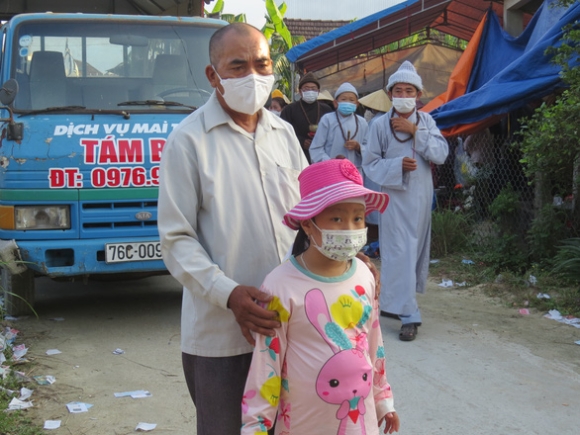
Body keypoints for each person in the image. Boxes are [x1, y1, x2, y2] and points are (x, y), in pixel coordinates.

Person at [157, 22, 309, 435]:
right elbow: (175, 240)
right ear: (213, 75)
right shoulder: (188, 142)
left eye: (261, 64)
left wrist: (349, 259)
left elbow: (309, 217)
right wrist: (230, 294)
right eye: (238, 66)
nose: (253, 76)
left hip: (291, 327)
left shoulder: (285, 135)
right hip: (222, 338)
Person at [241, 159, 400, 435]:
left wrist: (383, 399)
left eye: (357, 218)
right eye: (336, 218)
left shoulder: (365, 275)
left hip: (359, 424)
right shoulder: (280, 286)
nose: (350, 228)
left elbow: (374, 345)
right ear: (308, 223)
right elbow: (266, 365)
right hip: (303, 425)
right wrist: (256, 427)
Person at [362, 61, 449, 342]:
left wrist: (414, 132)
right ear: (390, 94)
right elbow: (370, 163)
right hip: (394, 200)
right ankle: (410, 316)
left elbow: (441, 154)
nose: (403, 94)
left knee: (414, 253)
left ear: (417, 94)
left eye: (408, 90)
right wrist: (398, 165)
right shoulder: (378, 125)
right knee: (399, 252)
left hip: (421, 199)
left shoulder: (427, 122)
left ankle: (394, 304)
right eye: (397, 90)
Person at [309, 82, 368, 176]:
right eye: (343, 99)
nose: (348, 102)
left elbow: (370, 149)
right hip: (329, 171)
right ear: (335, 103)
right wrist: (330, 162)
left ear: (357, 104)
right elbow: (316, 148)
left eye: (351, 100)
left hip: (354, 171)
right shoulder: (327, 119)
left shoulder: (362, 122)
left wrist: (359, 147)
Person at [280, 72, 333, 162]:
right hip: (297, 155)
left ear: (318, 91)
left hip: (322, 155)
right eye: (306, 89)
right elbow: (282, 132)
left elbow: (332, 132)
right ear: (300, 91)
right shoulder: (289, 110)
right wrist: (301, 141)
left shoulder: (327, 109)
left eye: (313, 89)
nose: (310, 91)